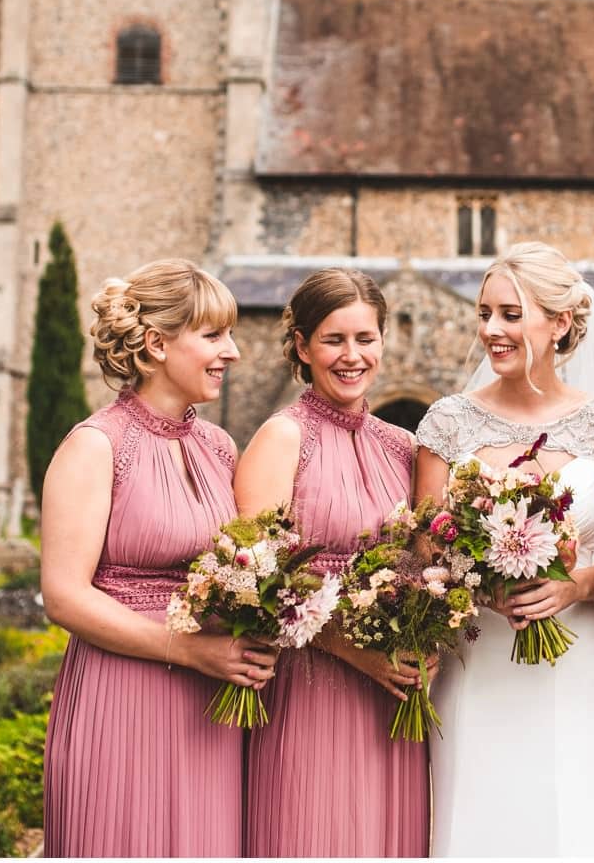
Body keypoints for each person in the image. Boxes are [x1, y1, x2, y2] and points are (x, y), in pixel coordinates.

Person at [413, 241, 594, 857]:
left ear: (561, 324)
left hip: (574, 663)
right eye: (485, 313)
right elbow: (422, 544)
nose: (491, 330)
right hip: (476, 661)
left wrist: (576, 586)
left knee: (575, 824)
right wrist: (474, 581)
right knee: (474, 824)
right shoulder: (446, 424)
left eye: (510, 315)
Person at [39, 259, 275, 857]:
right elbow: (64, 595)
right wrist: (190, 650)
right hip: (123, 694)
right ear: (156, 343)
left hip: (209, 704)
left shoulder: (220, 447)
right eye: (214, 335)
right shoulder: (96, 445)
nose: (235, 352)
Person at [235, 267, 431, 856]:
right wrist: (353, 649)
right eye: (334, 340)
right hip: (311, 682)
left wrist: (428, 641)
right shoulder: (281, 437)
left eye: (365, 339)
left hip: (394, 692)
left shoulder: (402, 447)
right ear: (302, 346)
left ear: (383, 340)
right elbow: (255, 578)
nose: (352, 356)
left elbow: (426, 566)